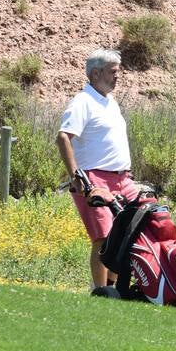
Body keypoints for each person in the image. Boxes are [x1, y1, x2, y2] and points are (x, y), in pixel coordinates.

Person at [56, 48, 139, 295]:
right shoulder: (83, 102)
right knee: (103, 238)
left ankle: (113, 289)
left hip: (122, 178)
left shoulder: (110, 102)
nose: (117, 77)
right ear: (96, 73)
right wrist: (76, 176)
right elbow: (63, 138)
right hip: (95, 178)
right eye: (113, 72)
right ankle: (100, 289)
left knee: (129, 232)